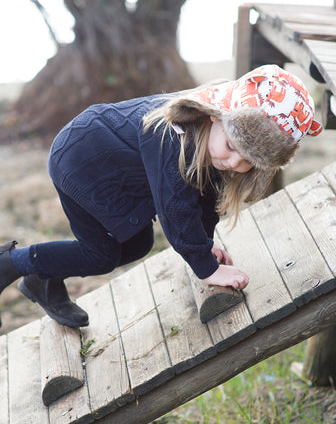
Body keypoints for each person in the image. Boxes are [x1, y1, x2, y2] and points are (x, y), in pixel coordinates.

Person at [0, 64, 323, 328]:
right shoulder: (175, 136)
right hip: (82, 160)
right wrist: (206, 268)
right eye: (233, 149)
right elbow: (175, 209)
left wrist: (206, 244)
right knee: (100, 255)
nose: (235, 164)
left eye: (250, 162)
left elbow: (205, 201)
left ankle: (41, 277)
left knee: (138, 244)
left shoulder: (211, 142)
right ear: (215, 115)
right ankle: (11, 263)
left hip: (116, 169)